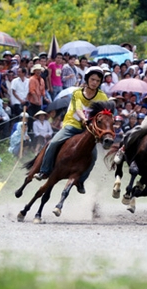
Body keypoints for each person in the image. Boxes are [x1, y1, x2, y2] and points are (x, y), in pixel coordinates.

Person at [34, 66, 108, 194]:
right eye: (92, 79)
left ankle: (81, 181)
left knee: (94, 156)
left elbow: (106, 112)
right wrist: (84, 119)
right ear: (87, 79)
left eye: (97, 80)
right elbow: (78, 109)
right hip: (72, 125)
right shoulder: (77, 93)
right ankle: (44, 171)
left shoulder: (102, 96)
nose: (95, 82)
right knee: (53, 143)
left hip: (88, 131)